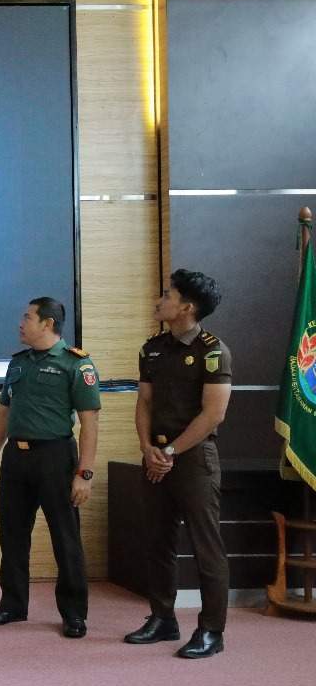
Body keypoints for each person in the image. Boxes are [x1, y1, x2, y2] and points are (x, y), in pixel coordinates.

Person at [125, 270, 232, 659]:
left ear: (186, 307)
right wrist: (147, 448)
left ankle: (211, 630)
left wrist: (170, 452)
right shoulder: (151, 348)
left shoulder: (212, 349)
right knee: (157, 540)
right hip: (156, 456)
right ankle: (162, 618)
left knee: (206, 547)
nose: (160, 299)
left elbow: (213, 414)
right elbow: (145, 403)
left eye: (168, 295)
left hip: (193, 460)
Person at [0, 297, 100, 638]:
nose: (21, 322)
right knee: (12, 535)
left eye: (27, 317)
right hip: (17, 458)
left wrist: (84, 474)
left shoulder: (76, 364)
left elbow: (90, 423)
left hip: (56, 458)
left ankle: (74, 614)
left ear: (47, 323)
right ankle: (12, 605)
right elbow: (3, 413)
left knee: (66, 538)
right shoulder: (18, 363)